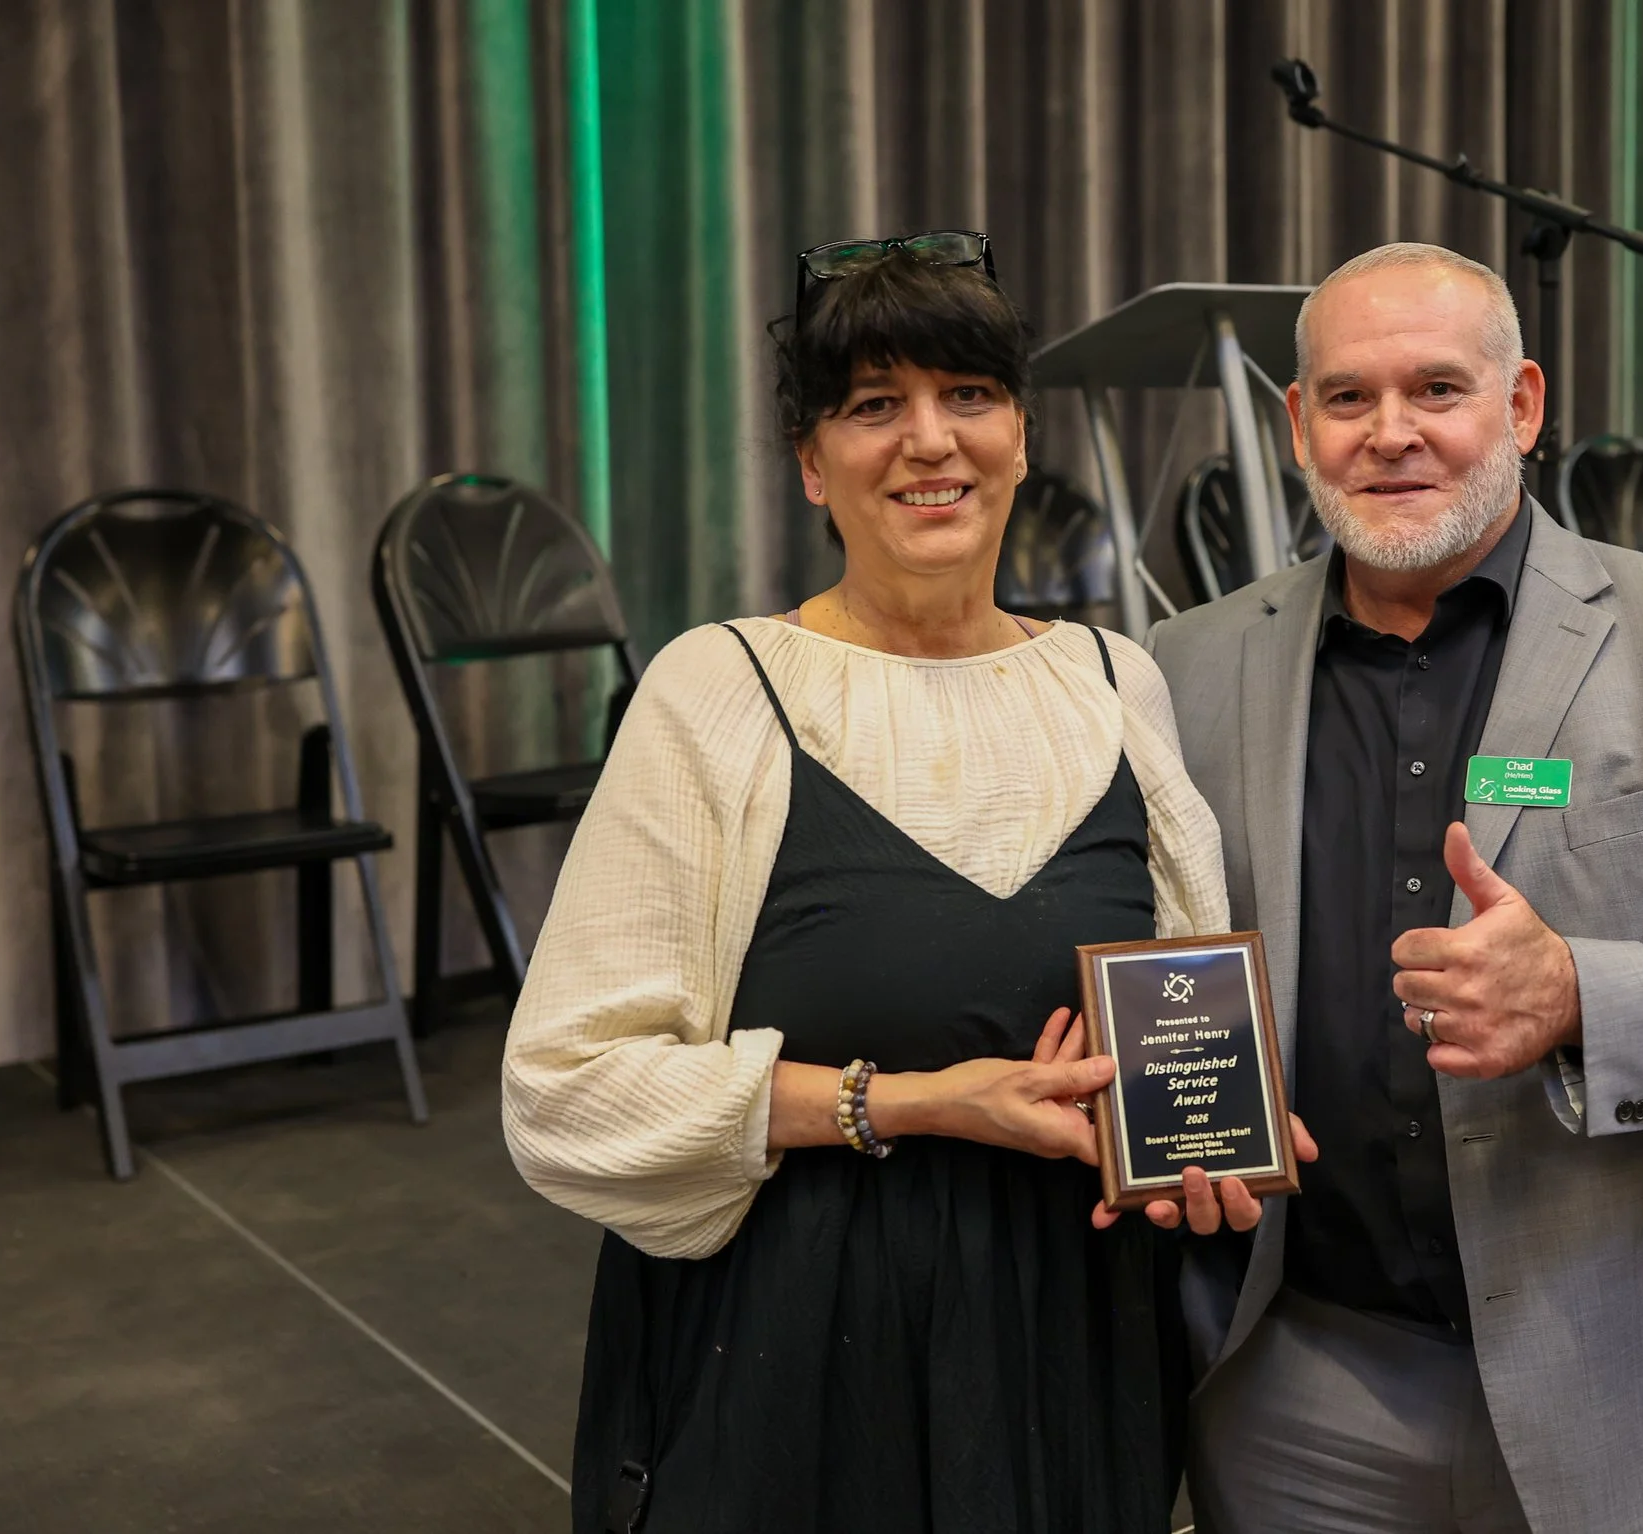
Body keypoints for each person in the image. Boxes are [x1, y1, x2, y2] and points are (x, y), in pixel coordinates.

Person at [502, 232, 1290, 1534]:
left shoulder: (1115, 681)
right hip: (797, 1352)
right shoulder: (719, 689)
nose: (930, 440)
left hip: (1069, 1343)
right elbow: (565, 1094)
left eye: (968, 394)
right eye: (875, 405)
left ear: (1021, 436)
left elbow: (1182, 1026)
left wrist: (1207, 1146)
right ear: (813, 464)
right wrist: (917, 1103)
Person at [1149, 242, 1643, 1534]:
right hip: (1301, 1397)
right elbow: (1170, 961)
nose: (1390, 433)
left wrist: (1577, 998)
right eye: (1348, 397)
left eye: (1437, 389)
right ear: (1296, 425)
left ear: (1521, 406)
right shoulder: (1187, 664)